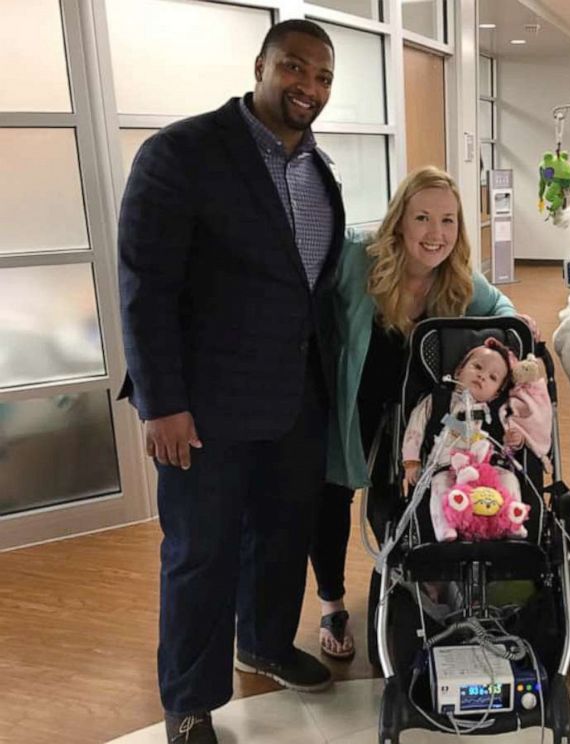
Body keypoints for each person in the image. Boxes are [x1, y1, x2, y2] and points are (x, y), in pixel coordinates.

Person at [118, 20, 343, 744]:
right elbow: (146, 287)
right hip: (204, 408)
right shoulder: (181, 154)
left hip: (294, 401)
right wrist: (163, 404)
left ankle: (266, 643)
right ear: (261, 66)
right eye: (295, 69)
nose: (308, 87)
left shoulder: (319, 171)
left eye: (323, 77)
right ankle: (188, 700)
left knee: (282, 538)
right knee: (200, 554)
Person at [310, 166, 527, 659]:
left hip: (415, 413)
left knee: (400, 499)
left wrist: (520, 329)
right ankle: (332, 604)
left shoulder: (457, 279)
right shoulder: (357, 260)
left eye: (448, 221)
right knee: (330, 499)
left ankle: (407, 580)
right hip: (352, 400)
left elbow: (505, 309)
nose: (436, 234)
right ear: (400, 221)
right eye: (423, 218)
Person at [401, 339, 528, 541]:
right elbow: (415, 428)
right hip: (447, 466)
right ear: (459, 371)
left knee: (510, 479)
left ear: (496, 393)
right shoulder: (438, 401)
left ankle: (512, 521)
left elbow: (503, 448)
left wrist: (512, 440)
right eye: (477, 367)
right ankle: (444, 527)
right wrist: (411, 461)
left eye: (492, 377)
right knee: (439, 486)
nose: (482, 376)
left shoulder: (495, 412)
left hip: (487, 472)